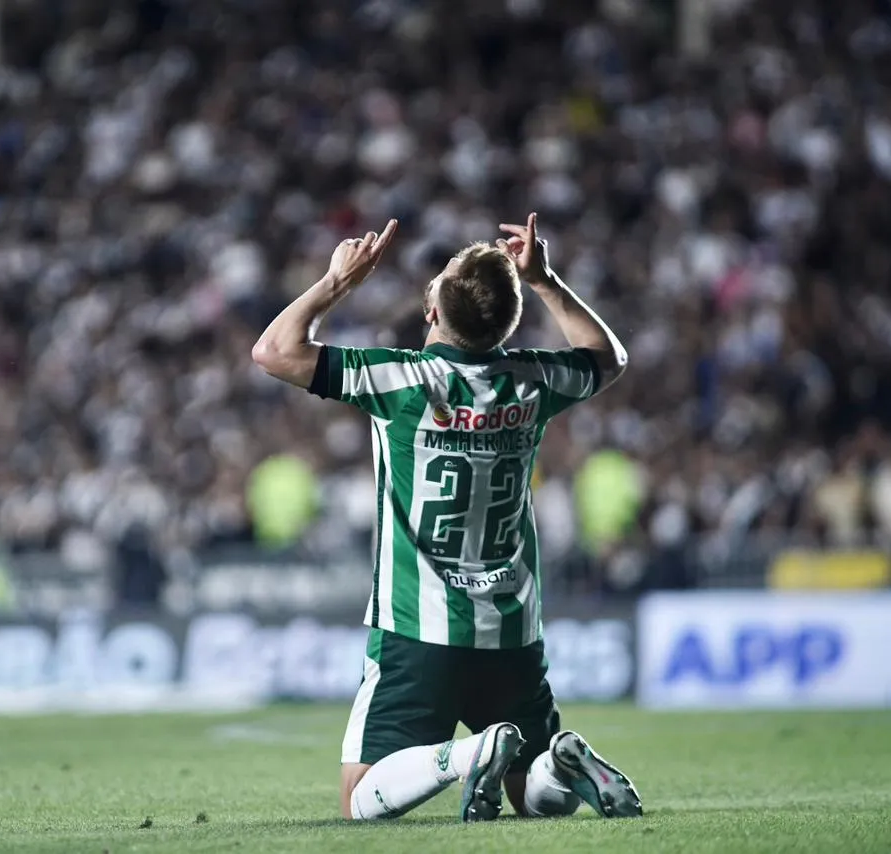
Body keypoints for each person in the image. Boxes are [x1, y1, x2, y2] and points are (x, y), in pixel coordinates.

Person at [252, 214, 641, 822]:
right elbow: (608, 356)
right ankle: (559, 764)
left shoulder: (402, 381)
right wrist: (546, 281)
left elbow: (274, 351)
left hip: (417, 625)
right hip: (511, 627)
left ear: (432, 314)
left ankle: (466, 757)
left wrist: (336, 283)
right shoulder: (533, 380)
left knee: (360, 800)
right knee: (530, 794)